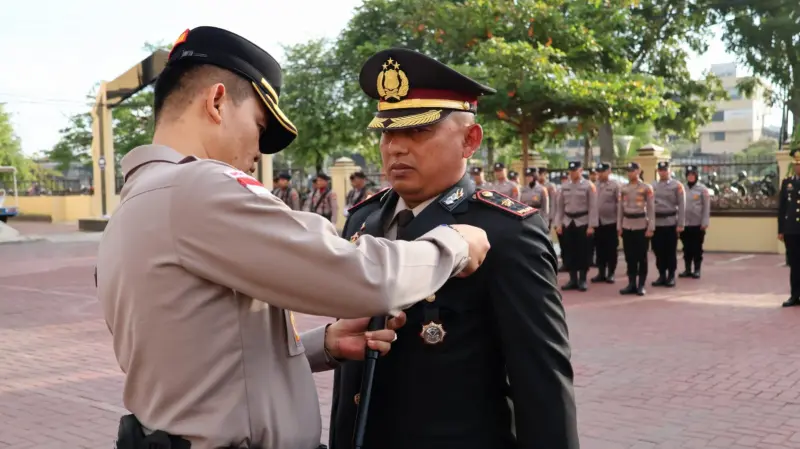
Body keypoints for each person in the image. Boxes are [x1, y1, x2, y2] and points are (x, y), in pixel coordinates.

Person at [96, 26, 492, 449]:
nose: (257, 153)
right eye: (258, 126)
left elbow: (209, 358)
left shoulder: (133, 209)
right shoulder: (198, 187)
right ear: (216, 102)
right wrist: (453, 245)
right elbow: (366, 277)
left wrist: (325, 345)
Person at [329, 48, 578, 449]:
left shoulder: (506, 231)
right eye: (388, 133)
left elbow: (542, 379)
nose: (396, 148)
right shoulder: (363, 220)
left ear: (469, 140)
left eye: (418, 131)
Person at [555, 160, 598, 291]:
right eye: (571, 171)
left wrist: (591, 225)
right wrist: (558, 223)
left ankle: (582, 279)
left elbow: (593, 207)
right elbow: (560, 207)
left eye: (575, 171)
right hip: (568, 221)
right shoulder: (564, 186)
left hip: (583, 221)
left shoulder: (588, 186)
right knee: (569, 251)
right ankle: (572, 279)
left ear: (581, 171)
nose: (572, 173)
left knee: (583, 252)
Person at [618, 162, 655, 296]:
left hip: (641, 225)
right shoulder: (623, 188)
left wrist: (651, 227)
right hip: (627, 225)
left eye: (632, 170)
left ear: (638, 171)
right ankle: (631, 283)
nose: (630, 173)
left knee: (641, 257)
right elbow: (620, 209)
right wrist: (619, 226)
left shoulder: (646, 188)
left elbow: (651, 208)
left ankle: (641, 285)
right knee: (630, 257)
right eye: (628, 171)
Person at [651, 161, 686, 287]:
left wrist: (681, 224)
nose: (662, 172)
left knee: (670, 251)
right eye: (660, 170)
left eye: (665, 170)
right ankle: (661, 275)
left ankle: (671, 276)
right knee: (658, 250)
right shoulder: (653, 185)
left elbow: (682, 205)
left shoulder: (677, 185)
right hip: (656, 223)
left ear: (669, 171)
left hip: (671, 222)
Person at [679, 165, 710, 279]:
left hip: (697, 224)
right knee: (686, 248)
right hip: (685, 224)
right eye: (689, 175)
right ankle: (687, 269)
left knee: (697, 248)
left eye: (693, 175)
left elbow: (706, 207)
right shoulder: (682, 188)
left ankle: (697, 270)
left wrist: (705, 222)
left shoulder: (702, 189)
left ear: (696, 176)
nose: (690, 177)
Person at [591, 162, 621, 283]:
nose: (600, 174)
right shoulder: (594, 185)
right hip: (598, 222)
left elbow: (619, 205)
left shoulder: (615, 185)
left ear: (609, 171)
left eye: (602, 172)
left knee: (611, 249)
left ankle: (611, 273)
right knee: (599, 248)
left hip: (611, 222)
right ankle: (601, 272)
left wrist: (619, 223)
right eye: (598, 172)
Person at [779, 146, 800, 307]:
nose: (798, 167)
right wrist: (781, 230)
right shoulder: (787, 183)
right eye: (796, 164)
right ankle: (795, 295)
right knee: (794, 264)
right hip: (791, 230)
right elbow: (782, 208)